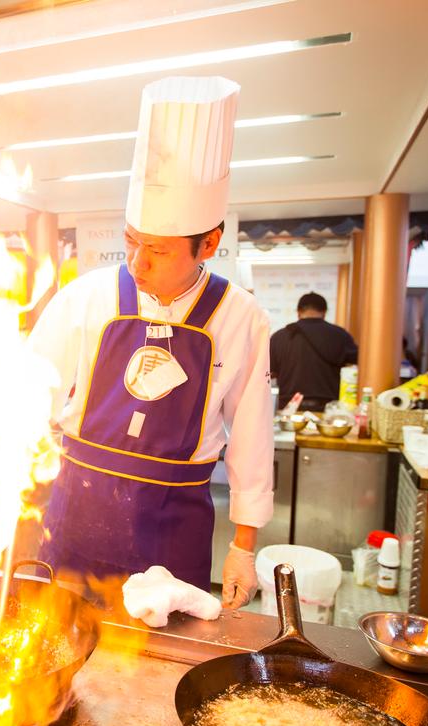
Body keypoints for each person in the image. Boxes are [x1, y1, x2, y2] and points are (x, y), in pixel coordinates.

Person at [27, 76, 270, 607]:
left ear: (208, 243)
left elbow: (251, 436)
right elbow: (29, 393)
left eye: (156, 250)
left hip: (173, 523)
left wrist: (244, 547)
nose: (136, 263)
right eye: (130, 241)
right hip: (77, 511)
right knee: (58, 650)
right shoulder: (87, 297)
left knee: (161, 664)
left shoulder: (239, 317)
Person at [269, 292, 359, 412]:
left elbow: (270, 372)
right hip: (329, 409)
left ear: (298, 312)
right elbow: (354, 368)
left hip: (289, 409)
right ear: (324, 312)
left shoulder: (280, 336)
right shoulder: (341, 335)